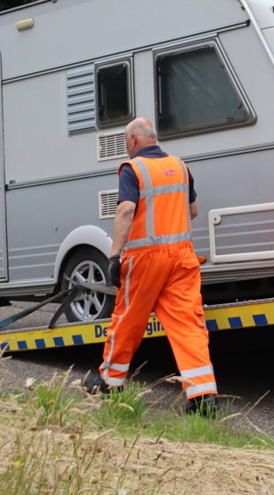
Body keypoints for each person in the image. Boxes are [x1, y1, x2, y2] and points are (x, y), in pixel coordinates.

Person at [83, 117, 218, 413]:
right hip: (183, 256)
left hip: (146, 257)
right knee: (188, 324)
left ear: (133, 140)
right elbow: (192, 209)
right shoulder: (181, 166)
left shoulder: (133, 169)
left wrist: (115, 255)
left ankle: (110, 381)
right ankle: (203, 395)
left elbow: (126, 209)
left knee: (128, 320)